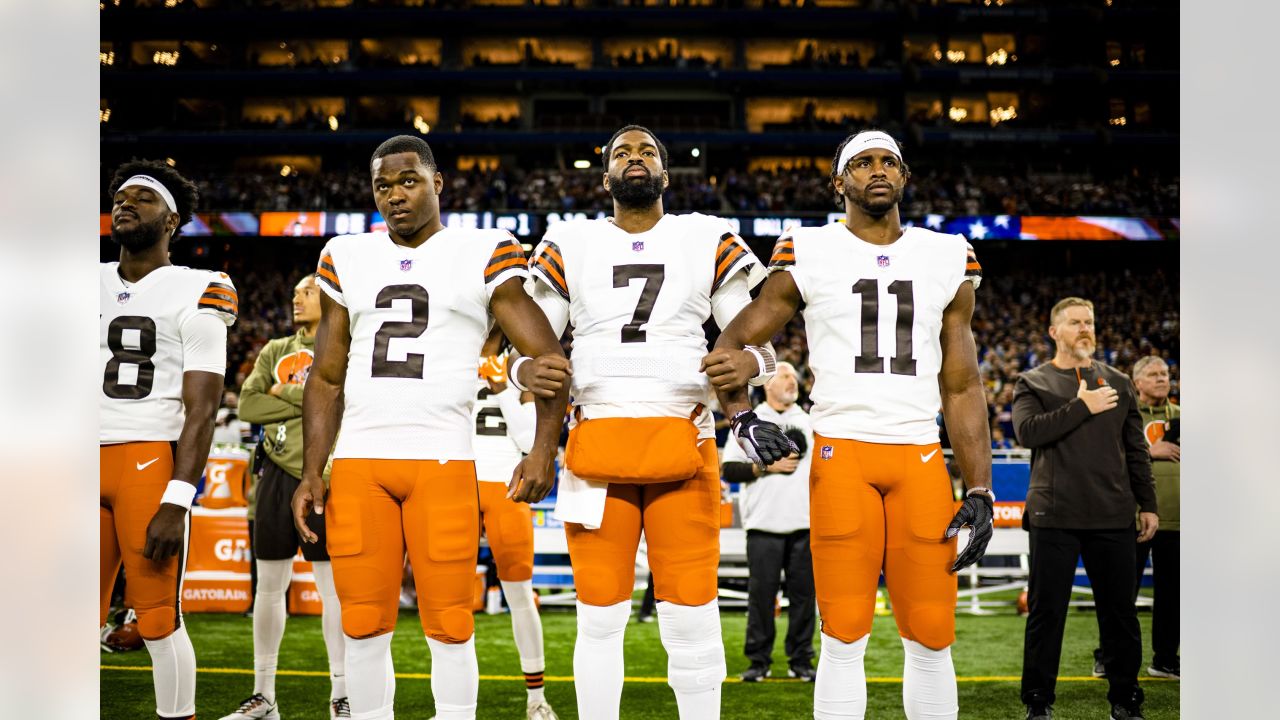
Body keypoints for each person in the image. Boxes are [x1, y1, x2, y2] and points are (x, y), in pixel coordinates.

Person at [704, 129, 994, 720]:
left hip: (918, 453)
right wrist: (741, 417)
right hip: (843, 454)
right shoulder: (807, 249)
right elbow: (731, 342)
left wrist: (982, 485)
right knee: (843, 630)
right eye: (862, 162)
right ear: (839, 182)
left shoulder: (946, 253)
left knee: (933, 630)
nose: (878, 169)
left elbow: (961, 384)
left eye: (890, 161)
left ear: (905, 177)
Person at [289, 135, 571, 720]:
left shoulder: (485, 249)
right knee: (363, 623)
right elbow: (326, 376)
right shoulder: (347, 254)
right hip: (361, 462)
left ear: (438, 183)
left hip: (442, 460)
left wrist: (545, 449)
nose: (395, 195)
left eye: (409, 180)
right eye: (383, 186)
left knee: (449, 623)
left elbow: (547, 359)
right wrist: (312, 470)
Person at [520, 124, 781, 720]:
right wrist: (519, 378)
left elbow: (754, 344)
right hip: (595, 446)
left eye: (647, 152)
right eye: (621, 153)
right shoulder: (569, 239)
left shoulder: (705, 236)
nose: (634, 159)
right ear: (604, 173)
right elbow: (536, 349)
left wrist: (755, 367)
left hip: (681, 437)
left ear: (666, 172)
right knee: (600, 616)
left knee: (692, 612)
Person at [100, 159, 236, 720]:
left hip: (146, 458)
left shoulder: (202, 287)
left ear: (172, 219)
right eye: (120, 196)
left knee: (156, 617)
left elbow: (202, 409)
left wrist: (176, 500)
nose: (126, 203)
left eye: (143, 198)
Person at [1012, 297, 1158, 720]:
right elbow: (1027, 433)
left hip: (1113, 514)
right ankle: (1038, 703)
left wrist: (1147, 504)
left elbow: (1136, 450)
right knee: (1046, 614)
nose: (1084, 328)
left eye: (1089, 321)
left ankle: (1126, 700)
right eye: (1074, 322)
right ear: (1053, 330)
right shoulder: (1032, 381)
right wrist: (1082, 406)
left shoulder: (1119, 381)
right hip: (1053, 517)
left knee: (1120, 616)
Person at [221, 274, 349, 720]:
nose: (296, 298)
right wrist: (315, 399)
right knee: (269, 590)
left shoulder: (345, 346)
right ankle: (264, 696)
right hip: (274, 474)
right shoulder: (275, 349)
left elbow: (347, 401)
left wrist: (288, 392)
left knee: (334, 594)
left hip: (329, 476)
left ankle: (341, 696)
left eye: (307, 291)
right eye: (293, 292)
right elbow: (248, 406)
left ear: (329, 298)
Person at [472, 333, 559, 720]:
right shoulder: (447, 354)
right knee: (449, 597)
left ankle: (536, 698)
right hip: (452, 482)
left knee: (520, 594)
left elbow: (528, 439)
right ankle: (455, 703)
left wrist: (501, 388)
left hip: (505, 485)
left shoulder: (519, 364)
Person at [720, 362, 817, 683]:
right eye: (785, 375)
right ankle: (758, 661)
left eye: (793, 375)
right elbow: (729, 470)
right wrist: (763, 468)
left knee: (804, 599)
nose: (793, 380)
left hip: (805, 522)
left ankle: (801, 660)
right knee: (761, 598)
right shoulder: (750, 421)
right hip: (762, 524)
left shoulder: (810, 421)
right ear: (766, 384)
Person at [1093, 355, 1179, 682]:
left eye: (1165, 373)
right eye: (1153, 374)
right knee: (1119, 594)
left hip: (1176, 520)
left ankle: (1166, 659)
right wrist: (1149, 450)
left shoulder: (1183, 417)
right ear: (1137, 383)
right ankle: (1108, 656)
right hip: (1130, 517)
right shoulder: (1122, 414)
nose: (1161, 379)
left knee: (1172, 595)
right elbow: (1105, 454)